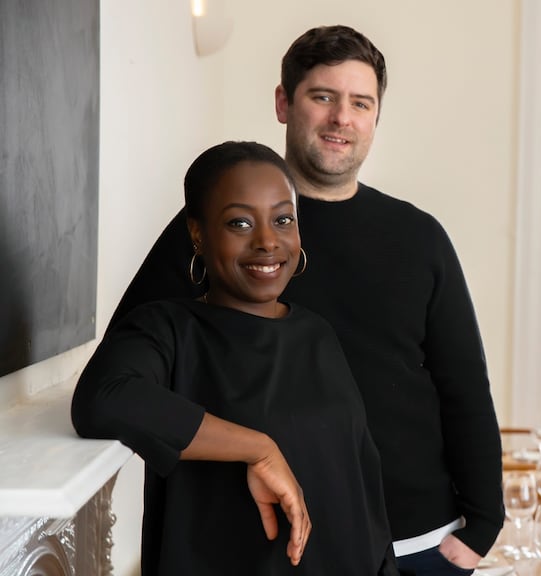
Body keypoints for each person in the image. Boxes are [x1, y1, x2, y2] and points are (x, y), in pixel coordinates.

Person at [110, 25, 504, 575]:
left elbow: (463, 383)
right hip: (265, 544)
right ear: (283, 103)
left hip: (419, 543)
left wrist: (483, 525)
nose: (342, 118)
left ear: (375, 118)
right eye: (323, 97)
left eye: (360, 103)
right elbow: (122, 371)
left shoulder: (419, 237)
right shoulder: (219, 233)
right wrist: (247, 446)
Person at [73, 141, 397, 575]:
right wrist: (257, 449)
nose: (267, 241)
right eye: (240, 223)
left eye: (283, 219)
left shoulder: (317, 334)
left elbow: (362, 479)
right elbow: (102, 399)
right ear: (197, 234)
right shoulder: (168, 329)